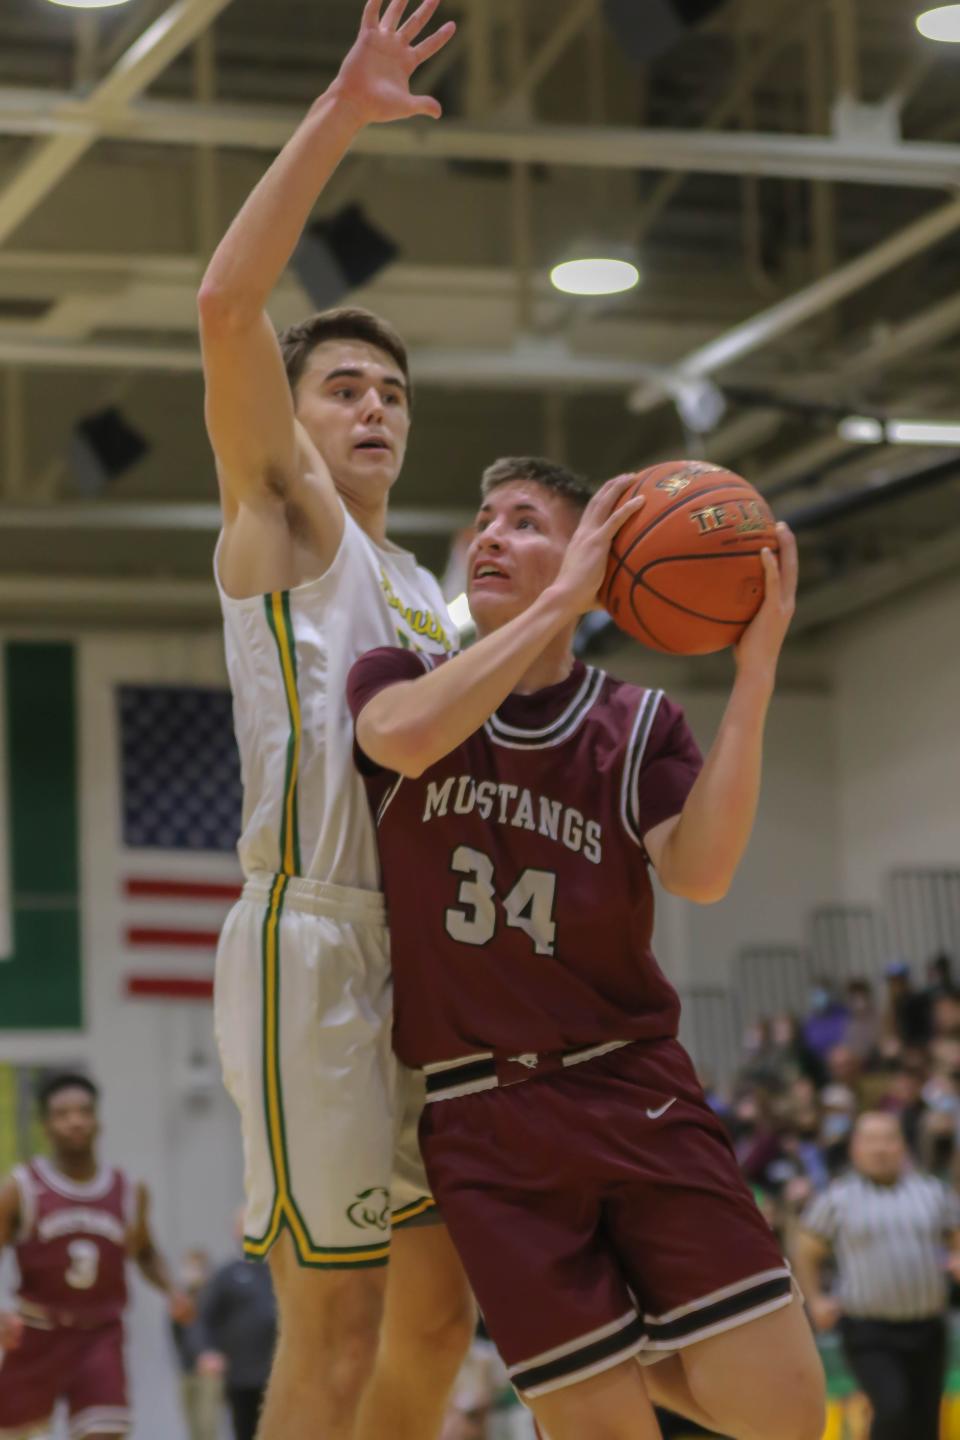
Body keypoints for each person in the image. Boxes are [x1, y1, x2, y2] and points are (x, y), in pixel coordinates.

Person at [347, 457, 826, 1440]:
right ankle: (615, 1333)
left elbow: (700, 871)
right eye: (481, 520)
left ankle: (624, 1329)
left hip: (631, 1089)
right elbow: (396, 742)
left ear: (596, 563)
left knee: (783, 1416)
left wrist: (759, 671)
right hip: (480, 1118)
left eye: (525, 522)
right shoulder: (401, 680)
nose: (488, 536)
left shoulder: (636, 722)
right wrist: (559, 595)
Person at [197, 4, 473, 1438]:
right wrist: (341, 113)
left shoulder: (438, 595)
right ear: (293, 419)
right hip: (312, 939)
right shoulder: (289, 522)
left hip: (425, 958)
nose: (374, 408)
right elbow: (225, 309)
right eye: (344, 388)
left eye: (393, 394)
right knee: (340, 1316)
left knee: (438, 1315)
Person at [0, 1072, 191, 1440]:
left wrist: (172, 1289)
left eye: (84, 1111)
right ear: (46, 1124)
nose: (75, 1120)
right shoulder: (21, 1188)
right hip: (37, 1333)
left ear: (97, 1120)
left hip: (99, 1335)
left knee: (105, 1432)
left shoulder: (129, 1190)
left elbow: (146, 1251)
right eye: (63, 1113)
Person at [794, 1110, 960, 1440]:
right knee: (893, 1408)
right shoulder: (836, 1199)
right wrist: (814, 1299)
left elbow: (955, 1236)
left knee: (925, 1419)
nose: (880, 1148)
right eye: (870, 1140)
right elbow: (805, 1248)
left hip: (927, 1325)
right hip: (869, 1330)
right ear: (855, 1148)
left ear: (903, 1145)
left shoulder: (932, 1192)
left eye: (888, 1139)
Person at [193, 1217, 278, 1440]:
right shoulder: (226, 1275)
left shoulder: (278, 1271)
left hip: (277, 1372)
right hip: (242, 1375)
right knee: (246, 1430)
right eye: (245, 1227)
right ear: (236, 1231)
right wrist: (207, 1351)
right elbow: (203, 1318)